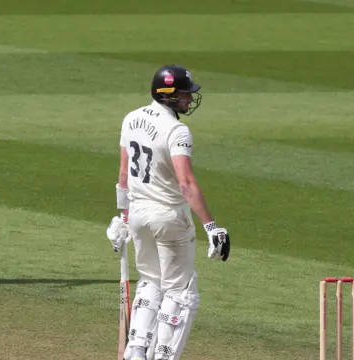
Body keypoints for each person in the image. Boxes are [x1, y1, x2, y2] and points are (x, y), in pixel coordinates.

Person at [106, 65, 230, 360]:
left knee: (150, 281)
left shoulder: (131, 118)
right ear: (170, 96)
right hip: (169, 217)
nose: (189, 98)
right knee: (180, 292)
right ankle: (162, 356)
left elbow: (123, 175)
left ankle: (136, 352)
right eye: (185, 93)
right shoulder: (177, 130)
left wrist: (122, 217)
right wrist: (212, 227)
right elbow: (186, 183)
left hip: (137, 215)